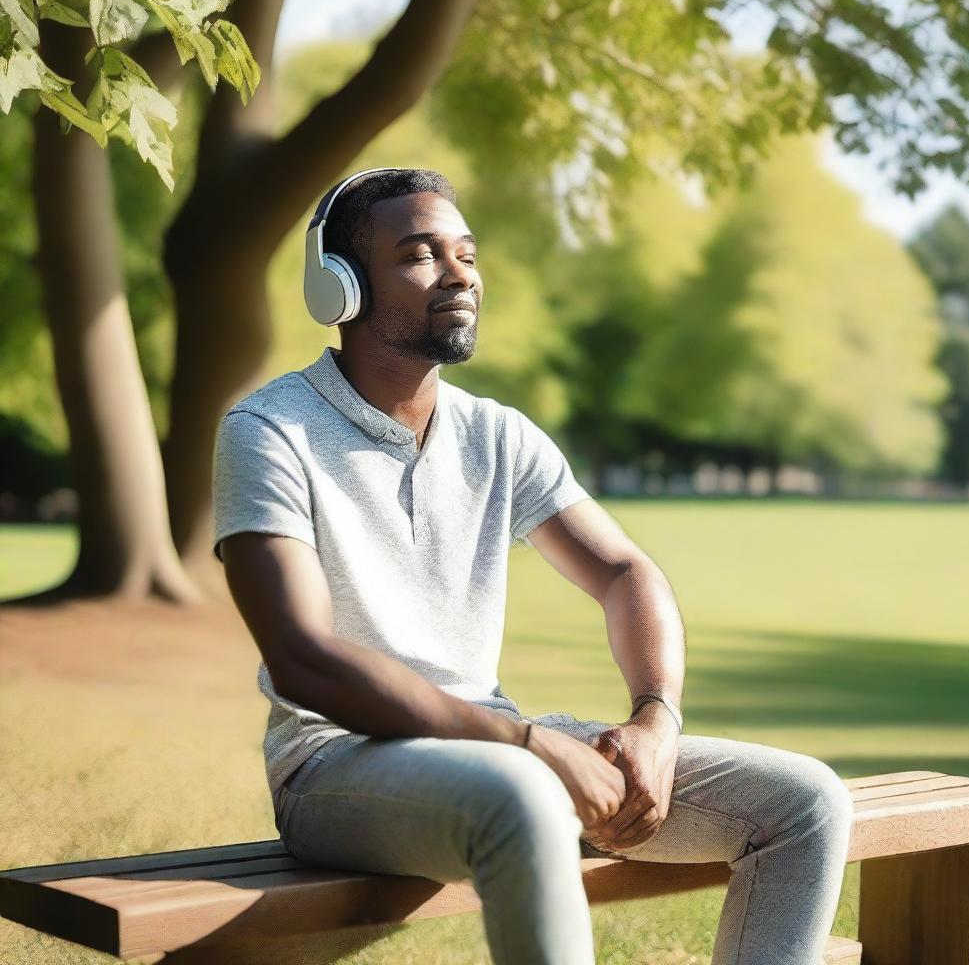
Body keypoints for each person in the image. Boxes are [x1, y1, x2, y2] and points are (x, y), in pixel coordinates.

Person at [211, 167, 854, 965]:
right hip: (335, 764)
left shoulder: (497, 435)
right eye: (420, 255)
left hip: (497, 747)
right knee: (525, 798)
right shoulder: (269, 430)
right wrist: (525, 745)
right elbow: (304, 661)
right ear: (340, 288)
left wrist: (656, 718)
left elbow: (624, 572)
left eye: (467, 254)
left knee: (804, 803)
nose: (459, 275)